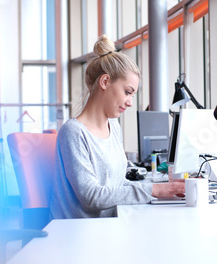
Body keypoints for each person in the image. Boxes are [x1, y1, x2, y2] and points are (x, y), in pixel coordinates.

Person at [50, 35, 185, 219]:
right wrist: (155, 190)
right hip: (79, 233)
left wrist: (164, 188)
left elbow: (118, 184)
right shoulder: (73, 132)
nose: (130, 102)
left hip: (109, 225)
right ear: (104, 82)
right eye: (127, 92)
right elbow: (91, 197)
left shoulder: (114, 127)